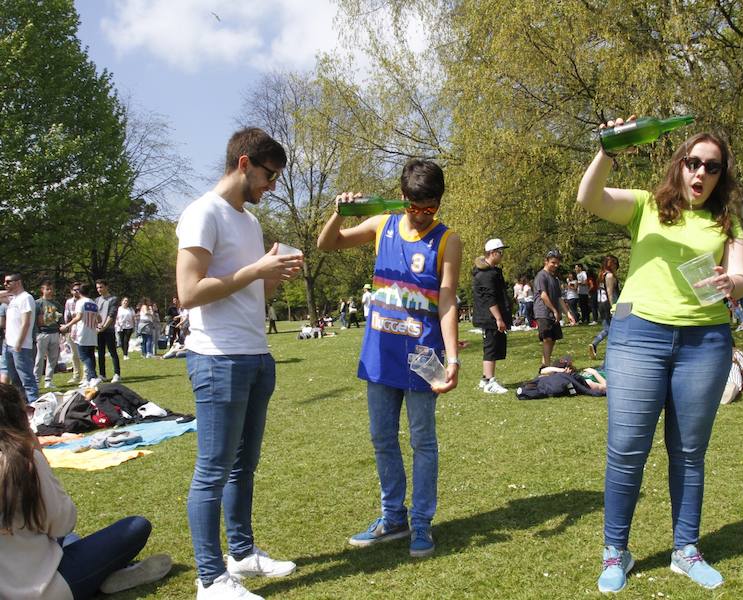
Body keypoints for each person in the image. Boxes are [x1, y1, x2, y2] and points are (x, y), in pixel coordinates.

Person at [577, 118, 743, 593]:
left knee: (690, 453)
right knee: (627, 451)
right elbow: (588, 197)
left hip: (705, 343)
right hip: (639, 338)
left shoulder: (726, 222)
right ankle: (616, 551)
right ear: (680, 165)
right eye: (693, 162)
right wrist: (608, 149)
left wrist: (728, 283)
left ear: (720, 175)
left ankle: (685, 550)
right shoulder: (646, 205)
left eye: (711, 167)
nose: (700, 173)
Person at [176, 127, 302, 599]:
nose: (272, 186)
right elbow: (188, 293)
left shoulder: (248, 223)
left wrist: (274, 273)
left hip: (255, 356)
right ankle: (210, 579)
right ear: (245, 163)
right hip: (217, 359)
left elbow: (252, 292)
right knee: (212, 469)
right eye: (270, 176)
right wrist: (254, 270)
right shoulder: (201, 213)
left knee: (243, 466)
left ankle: (243, 556)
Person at [317, 158, 461, 559]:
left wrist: (452, 359)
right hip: (380, 354)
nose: (420, 216)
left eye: (429, 208)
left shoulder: (449, 241)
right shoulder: (382, 224)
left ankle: (421, 524)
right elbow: (327, 244)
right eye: (414, 207)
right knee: (383, 439)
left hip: (422, 357)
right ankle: (392, 518)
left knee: (422, 441)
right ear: (402, 198)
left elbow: (447, 302)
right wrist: (337, 212)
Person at [0, 382, 172, 598]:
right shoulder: (21, 461)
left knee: (68, 538)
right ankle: (104, 577)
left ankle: (105, 575)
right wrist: (39, 455)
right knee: (136, 526)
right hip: (44, 589)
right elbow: (63, 523)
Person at [472, 238, 512, 394]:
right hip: (489, 317)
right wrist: (498, 318)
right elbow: (490, 298)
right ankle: (490, 381)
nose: (502, 255)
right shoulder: (485, 274)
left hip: (491, 316)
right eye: (500, 252)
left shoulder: (492, 271)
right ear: (492, 253)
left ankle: (485, 379)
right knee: (491, 347)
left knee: (494, 346)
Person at [534, 250, 576, 370]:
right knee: (547, 338)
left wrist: (568, 313)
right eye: (553, 262)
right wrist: (554, 310)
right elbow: (543, 295)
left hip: (553, 312)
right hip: (543, 312)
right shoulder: (541, 276)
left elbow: (559, 298)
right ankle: (546, 367)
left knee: (552, 339)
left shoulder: (555, 278)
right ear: (546, 261)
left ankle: (545, 364)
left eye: (557, 263)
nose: (556, 265)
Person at [2, 273, 39, 403]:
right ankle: (23, 406)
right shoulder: (13, 299)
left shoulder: (26, 298)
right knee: (15, 380)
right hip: (9, 344)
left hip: (21, 346)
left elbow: (26, 322)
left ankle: (34, 405)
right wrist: (8, 291)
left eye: (8, 282)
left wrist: (19, 342)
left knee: (27, 378)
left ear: (18, 282)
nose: (5, 284)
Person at [60, 284, 100, 386]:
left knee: (84, 357)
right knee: (90, 355)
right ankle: (89, 378)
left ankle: (93, 377)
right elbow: (99, 319)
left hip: (82, 332)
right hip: (92, 332)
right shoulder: (93, 303)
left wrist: (67, 325)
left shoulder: (80, 302)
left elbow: (78, 317)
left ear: (79, 292)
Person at [589, 255, 620, 358]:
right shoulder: (610, 276)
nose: (616, 265)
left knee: (608, 328)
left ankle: (594, 344)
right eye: (614, 263)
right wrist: (613, 308)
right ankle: (609, 351)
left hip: (601, 304)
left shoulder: (602, 274)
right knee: (615, 329)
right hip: (609, 305)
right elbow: (610, 293)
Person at [34, 280, 63, 390]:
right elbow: (34, 319)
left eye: (51, 289)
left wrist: (62, 329)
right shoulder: (38, 303)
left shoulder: (56, 304)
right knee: (39, 358)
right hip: (42, 333)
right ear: (42, 290)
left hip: (54, 332)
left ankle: (48, 380)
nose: (50, 291)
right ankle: (36, 381)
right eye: (47, 289)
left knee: (53, 358)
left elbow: (60, 318)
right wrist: (36, 333)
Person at [94, 280, 121, 384]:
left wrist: (104, 327)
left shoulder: (113, 299)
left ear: (106, 287)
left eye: (101, 287)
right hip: (99, 330)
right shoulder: (96, 300)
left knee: (112, 352)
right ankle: (102, 374)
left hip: (108, 330)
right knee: (100, 353)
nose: (99, 290)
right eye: (97, 288)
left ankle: (117, 374)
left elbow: (111, 315)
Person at [63, 283, 84, 384]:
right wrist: (67, 328)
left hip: (83, 330)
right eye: (75, 290)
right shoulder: (69, 302)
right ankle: (76, 375)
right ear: (71, 291)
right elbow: (66, 315)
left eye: (78, 289)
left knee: (83, 354)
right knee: (74, 354)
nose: (77, 291)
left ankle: (86, 375)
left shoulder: (84, 301)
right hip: (72, 330)